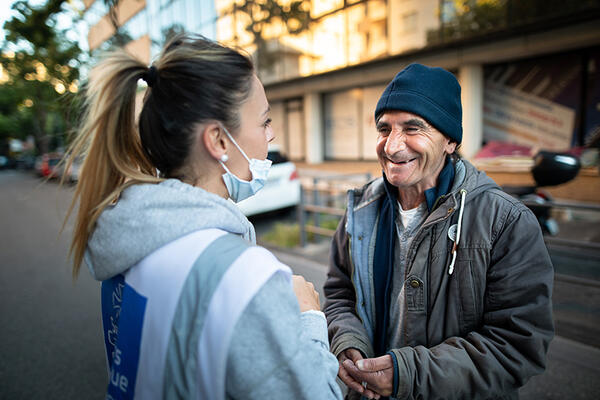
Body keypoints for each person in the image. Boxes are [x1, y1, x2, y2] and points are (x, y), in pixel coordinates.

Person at [64, 34, 342, 400]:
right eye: (265, 121)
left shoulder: (127, 247)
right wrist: (307, 317)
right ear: (219, 141)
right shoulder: (244, 278)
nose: (270, 135)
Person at [323, 63, 554, 400]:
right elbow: (339, 291)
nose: (392, 146)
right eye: (384, 129)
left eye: (413, 128)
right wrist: (348, 340)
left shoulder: (505, 221)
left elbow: (517, 345)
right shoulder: (362, 210)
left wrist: (409, 376)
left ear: (449, 141)